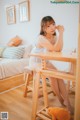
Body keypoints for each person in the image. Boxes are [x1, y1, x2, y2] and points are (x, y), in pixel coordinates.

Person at [29, 16, 73, 114]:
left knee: (58, 76)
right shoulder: (41, 38)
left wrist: (60, 34)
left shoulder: (54, 36)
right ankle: (62, 100)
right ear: (44, 28)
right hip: (36, 62)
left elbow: (59, 48)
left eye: (53, 24)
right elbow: (55, 49)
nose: (52, 27)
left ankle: (66, 101)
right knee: (55, 75)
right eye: (48, 26)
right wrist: (61, 32)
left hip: (45, 61)